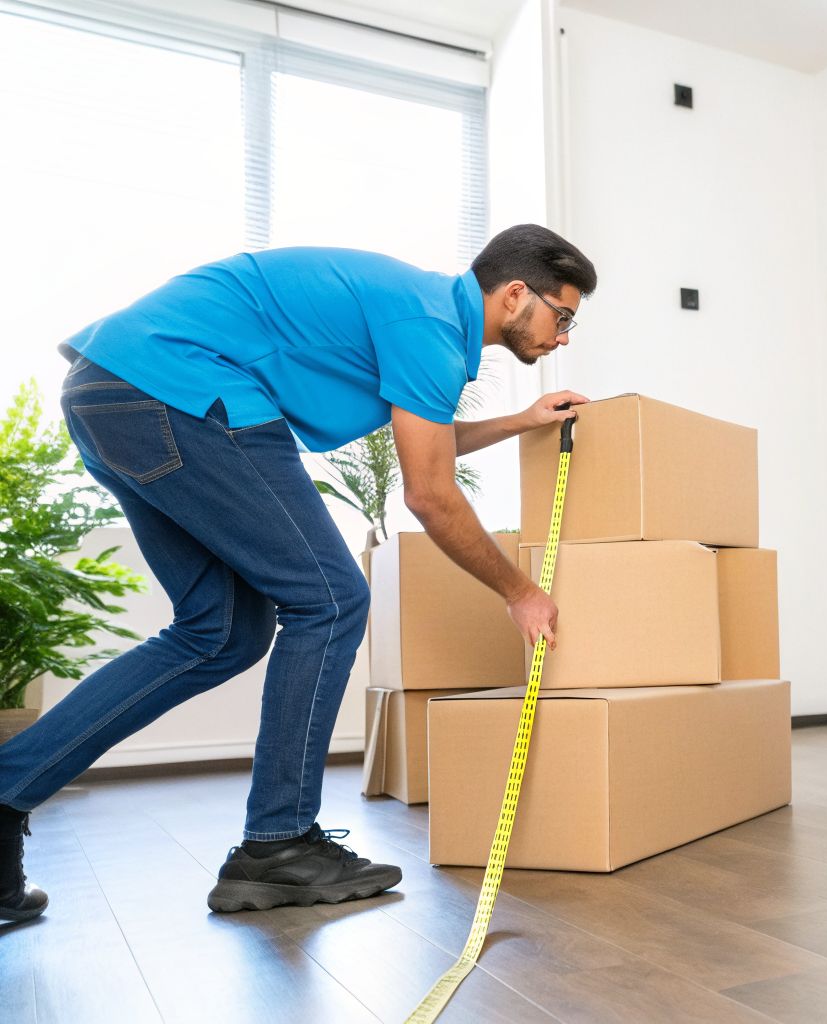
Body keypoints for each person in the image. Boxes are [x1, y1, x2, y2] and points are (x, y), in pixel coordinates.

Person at [0, 224, 596, 920]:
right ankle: (278, 845)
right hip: (178, 390)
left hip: (115, 392)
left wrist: (520, 420)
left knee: (219, 633)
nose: (562, 337)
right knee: (333, 600)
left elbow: (421, 439)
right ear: (516, 294)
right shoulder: (428, 324)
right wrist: (520, 592)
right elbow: (430, 491)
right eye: (563, 316)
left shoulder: (421, 313)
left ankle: (8, 791)